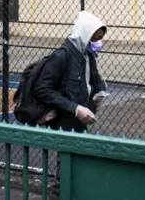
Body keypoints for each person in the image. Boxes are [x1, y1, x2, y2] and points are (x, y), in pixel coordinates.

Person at [32, 11, 109, 197]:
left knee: (77, 170)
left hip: (80, 121)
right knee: (64, 172)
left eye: (99, 38)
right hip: (66, 121)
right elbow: (42, 88)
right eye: (94, 37)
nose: (97, 42)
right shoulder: (62, 56)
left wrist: (98, 93)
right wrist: (75, 108)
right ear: (84, 33)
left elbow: (93, 82)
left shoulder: (87, 56)